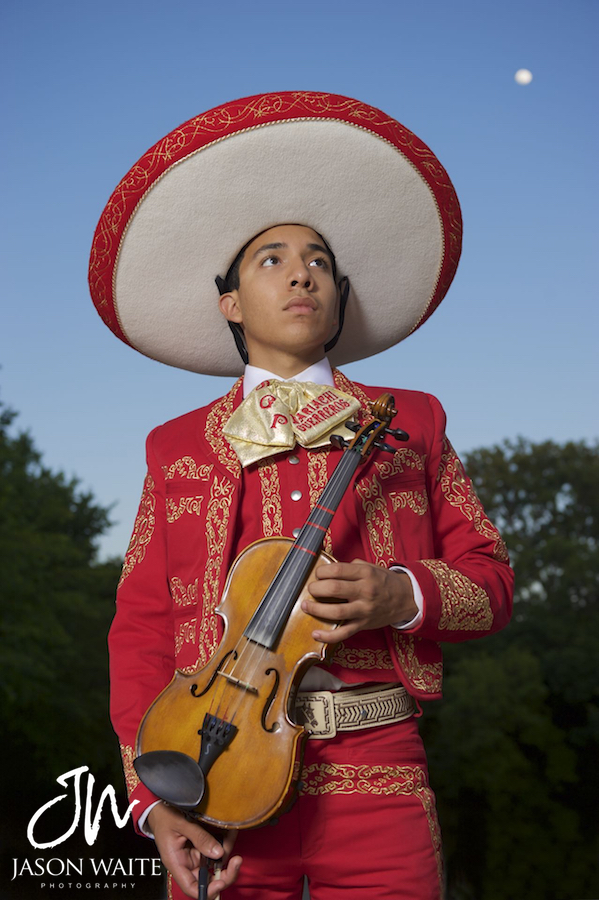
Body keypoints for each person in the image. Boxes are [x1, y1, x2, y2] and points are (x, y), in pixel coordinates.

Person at [89, 91, 513, 900]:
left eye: (318, 260)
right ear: (231, 303)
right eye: (271, 260)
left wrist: (401, 593)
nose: (301, 274)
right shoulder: (173, 446)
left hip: (378, 771)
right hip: (212, 775)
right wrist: (151, 800)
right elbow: (140, 627)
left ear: (338, 295)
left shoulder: (411, 421)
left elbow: (492, 583)